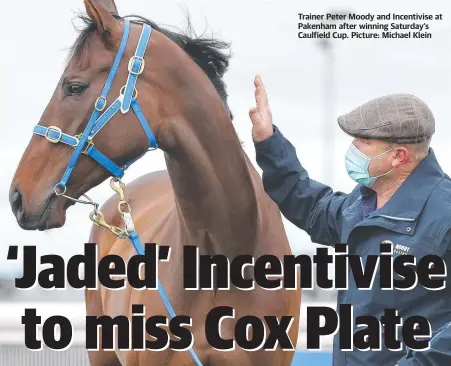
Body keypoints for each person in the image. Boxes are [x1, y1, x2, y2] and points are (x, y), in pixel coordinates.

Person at [249, 75, 451, 366]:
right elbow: (312, 206)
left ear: (398, 156)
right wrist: (269, 142)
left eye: (362, 142)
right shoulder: (362, 202)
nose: (352, 149)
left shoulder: (444, 213)